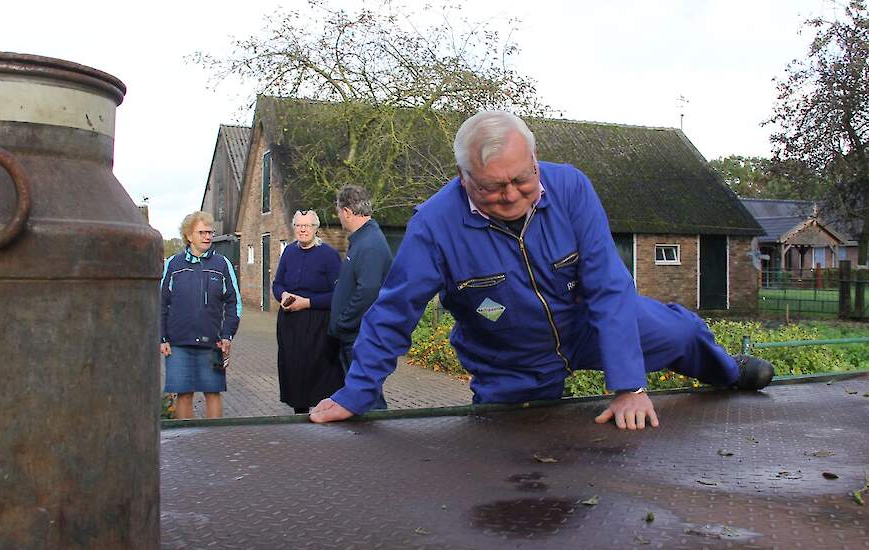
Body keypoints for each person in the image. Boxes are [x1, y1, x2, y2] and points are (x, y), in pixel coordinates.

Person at [311, 111, 774, 429]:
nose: (511, 195)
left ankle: (729, 372)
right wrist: (356, 393)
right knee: (514, 440)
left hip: (585, 322)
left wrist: (630, 387)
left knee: (679, 334)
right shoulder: (433, 224)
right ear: (463, 179)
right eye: (493, 187)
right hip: (509, 352)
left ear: (535, 161)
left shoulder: (571, 187)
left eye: (522, 179)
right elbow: (395, 312)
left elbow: (609, 287)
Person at [160, 211, 241, 419]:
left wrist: (227, 336)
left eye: (210, 232)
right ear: (189, 235)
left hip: (212, 343)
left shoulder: (222, 265)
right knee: (184, 394)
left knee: (213, 393)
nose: (207, 237)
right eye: (202, 232)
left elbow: (234, 303)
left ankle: (214, 442)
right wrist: (162, 337)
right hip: (178, 343)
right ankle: (186, 444)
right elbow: (160, 303)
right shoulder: (173, 265)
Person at [328, 185, 394, 410]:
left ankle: (376, 445)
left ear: (347, 211)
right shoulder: (363, 241)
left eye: (339, 212)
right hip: (354, 335)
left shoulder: (370, 245)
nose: (339, 217)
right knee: (359, 396)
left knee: (368, 399)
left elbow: (368, 292)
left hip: (359, 336)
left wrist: (343, 322)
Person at [273, 210, 344, 414]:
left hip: (318, 323)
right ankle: (300, 415)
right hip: (290, 324)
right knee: (294, 370)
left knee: (320, 372)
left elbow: (338, 294)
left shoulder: (329, 255)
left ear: (316, 229)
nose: (303, 229)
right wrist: (283, 294)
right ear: (294, 228)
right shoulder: (289, 252)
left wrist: (308, 303)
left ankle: (323, 415)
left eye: (308, 225)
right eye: (299, 225)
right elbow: (277, 283)